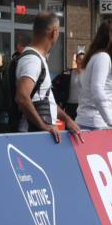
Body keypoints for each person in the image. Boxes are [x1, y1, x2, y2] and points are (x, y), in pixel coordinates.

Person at [14, 12, 84, 143]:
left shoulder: (37, 58)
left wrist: (67, 119)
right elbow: (22, 97)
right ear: (54, 32)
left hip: (39, 134)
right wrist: (43, 126)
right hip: (33, 135)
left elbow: (46, 99)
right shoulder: (32, 60)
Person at [76, 19, 112, 136]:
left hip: (95, 122)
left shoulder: (98, 57)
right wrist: (111, 121)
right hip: (94, 123)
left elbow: (109, 95)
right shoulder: (103, 57)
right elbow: (97, 90)